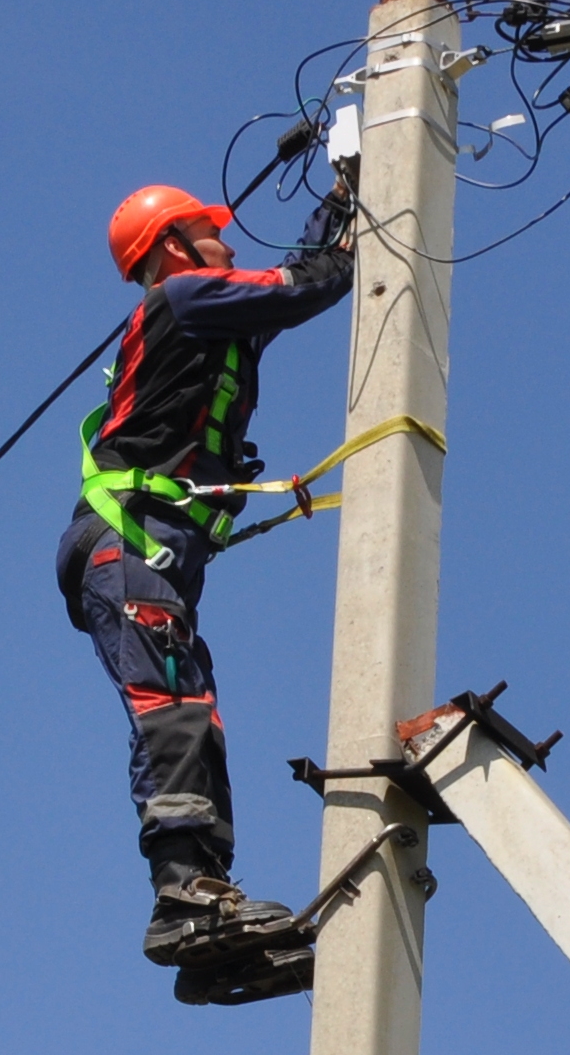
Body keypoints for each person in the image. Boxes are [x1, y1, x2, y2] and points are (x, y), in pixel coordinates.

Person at [56, 174, 356, 1005]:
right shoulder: (185, 299)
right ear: (171, 250)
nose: (227, 241)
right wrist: (352, 220)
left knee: (192, 709)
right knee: (174, 708)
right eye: (209, 231)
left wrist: (343, 194)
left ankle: (206, 909)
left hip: (140, 551)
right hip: (126, 544)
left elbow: (291, 276)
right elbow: (304, 284)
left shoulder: (208, 319)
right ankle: (185, 898)